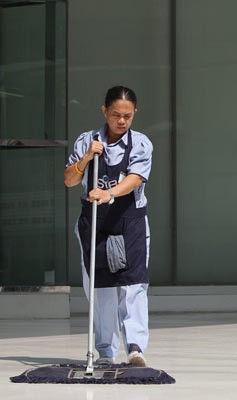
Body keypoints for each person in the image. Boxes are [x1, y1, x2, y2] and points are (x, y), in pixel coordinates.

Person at [64, 86, 153, 367]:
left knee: (134, 284)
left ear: (134, 113)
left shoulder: (140, 143)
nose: (122, 121)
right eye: (116, 115)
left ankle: (136, 348)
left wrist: (110, 193)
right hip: (96, 223)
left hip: (130, 221)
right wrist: (87, 157)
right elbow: (68, 179)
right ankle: (105, 351)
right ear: (105, 111)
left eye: (127, 116)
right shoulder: (86, 141)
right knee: (101, 287)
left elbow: (136, 178)